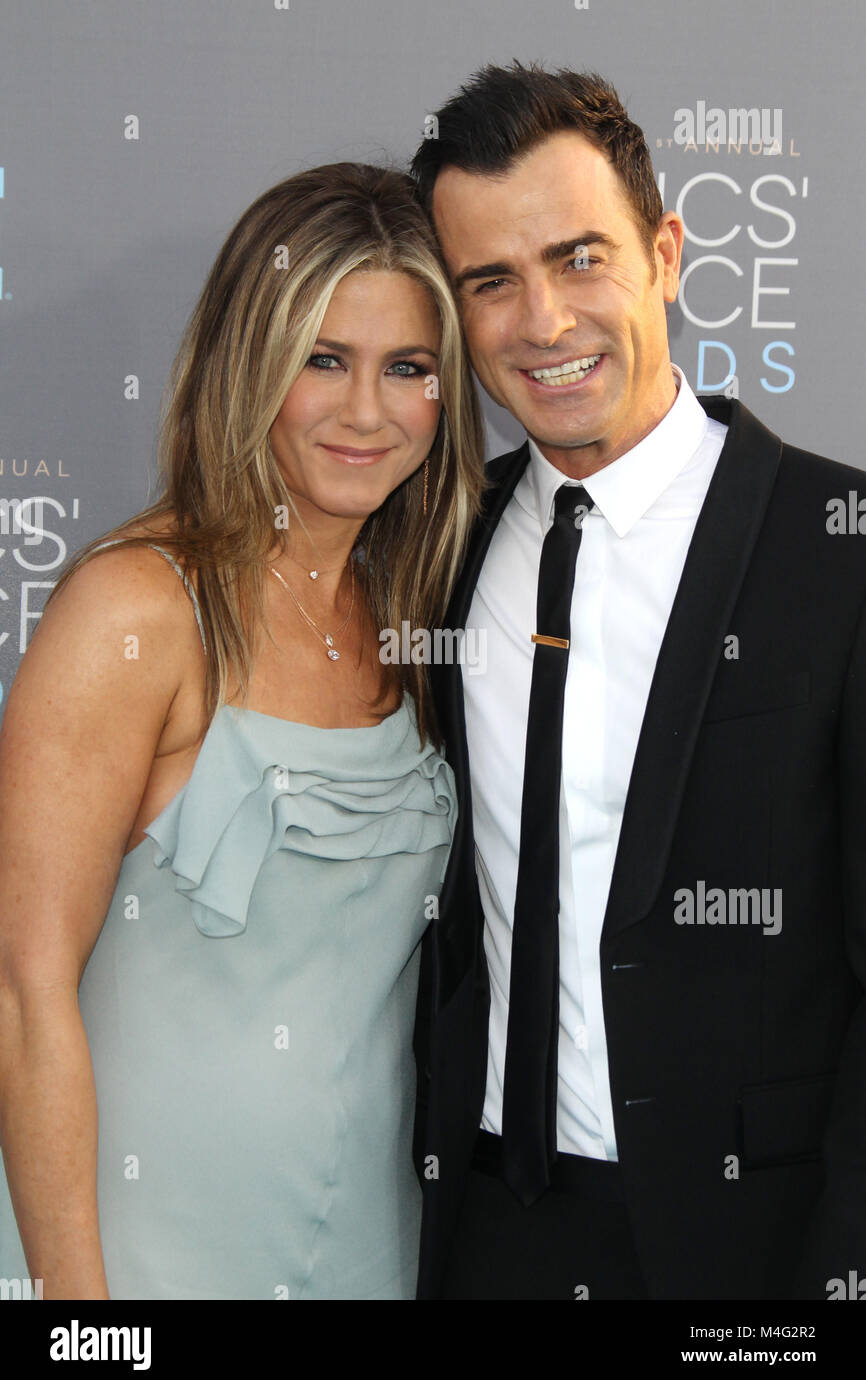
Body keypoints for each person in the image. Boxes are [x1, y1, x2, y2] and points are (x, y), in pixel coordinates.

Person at [408, 61, 866, 1300]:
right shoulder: (431, 549)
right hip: (481, 1232)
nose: (543, 323)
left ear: (663, 252)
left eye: (579, 258)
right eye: (488, 282)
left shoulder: (839, 544)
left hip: (747, 1253)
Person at [0, 162, 485, 1299]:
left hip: (365, 1244)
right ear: (246, 360)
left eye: (407, 368)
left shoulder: (423, 616)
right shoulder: (134, 610)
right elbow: (24, 999)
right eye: (323, 359)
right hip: (135, 1254)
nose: (366, 412)